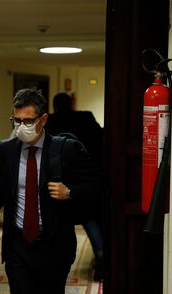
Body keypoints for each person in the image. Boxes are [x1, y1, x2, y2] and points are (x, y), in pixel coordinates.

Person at [0, 88, 100, 294]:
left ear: (43, 119)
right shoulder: (6, 149)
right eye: (16, 121)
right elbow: (2, 190)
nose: (21, 127)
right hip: (18, 246)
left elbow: (96, 184)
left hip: (53, 247)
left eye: (28, 121)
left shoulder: (65, 149)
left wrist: (70, 192)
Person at [45, 92, 104, 281]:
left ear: (54, 106)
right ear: (71, 104)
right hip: (83, 176)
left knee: (54, 223)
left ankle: (50, 265)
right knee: (89, 218)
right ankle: (101, 257)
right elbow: (101, 138)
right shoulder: (84, 117)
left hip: (56, 179)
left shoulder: (50, 121)